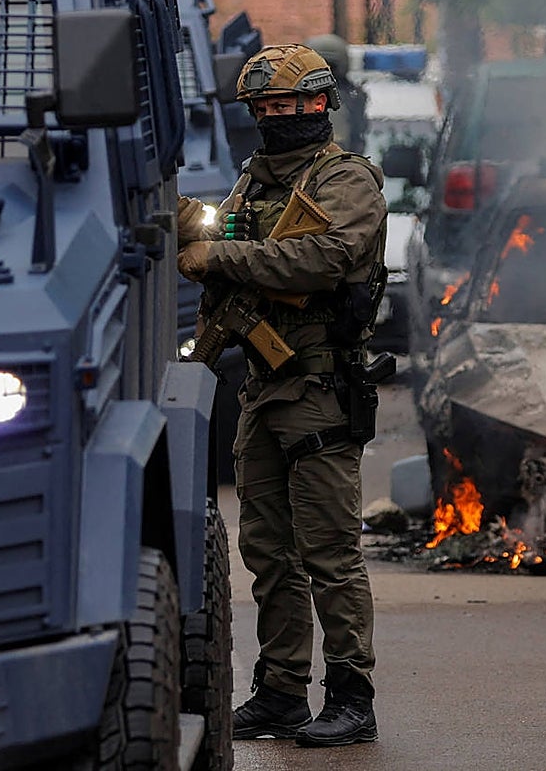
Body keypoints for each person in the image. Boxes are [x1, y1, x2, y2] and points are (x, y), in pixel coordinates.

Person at [177, 43, 388, 747]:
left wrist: (221, 255)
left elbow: (326, 256)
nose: (279, 116)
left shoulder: (345, 180)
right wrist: (188, 221)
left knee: (329, 553)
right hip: (266, 391)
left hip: (321, 390)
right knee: (268, 552)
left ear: (322, 104)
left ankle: (352, 698)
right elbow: (225, 235)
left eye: (292, 105)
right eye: (265, 107)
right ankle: (280, 693)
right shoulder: (253, 184)